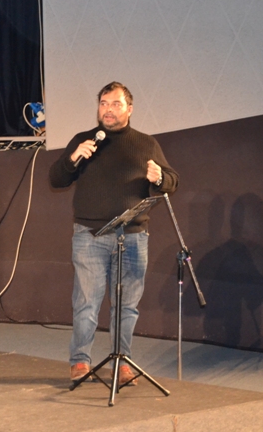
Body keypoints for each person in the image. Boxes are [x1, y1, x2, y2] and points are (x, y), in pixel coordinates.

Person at [48, 82, 178, 386]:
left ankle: (123, 363)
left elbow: (172, 181)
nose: (108, 109)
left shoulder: (146, 143)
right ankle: (80, 361)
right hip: (89, 235)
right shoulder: (84, 140)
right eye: (104, 103)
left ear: (129, 109)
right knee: (86, 303)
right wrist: (72, 158)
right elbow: (56, 179)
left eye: (116, 104)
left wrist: (160, 177)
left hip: (133, 237)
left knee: (127, 305)